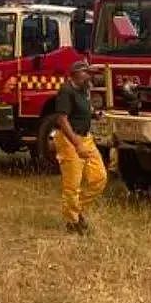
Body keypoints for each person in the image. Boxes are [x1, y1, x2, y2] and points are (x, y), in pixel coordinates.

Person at [53, 60, 108, 234]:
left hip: (87, 138)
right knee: (72, 184)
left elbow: (86, 106)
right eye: (86, 72)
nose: (89, 76)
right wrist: (76, 144)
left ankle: (78, 209)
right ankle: (72, 221)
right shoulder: (66, 91)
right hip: (70, 140)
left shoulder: (85, 89)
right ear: (76, 73)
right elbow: (62, 119)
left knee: (99, 178)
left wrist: (94, 113)